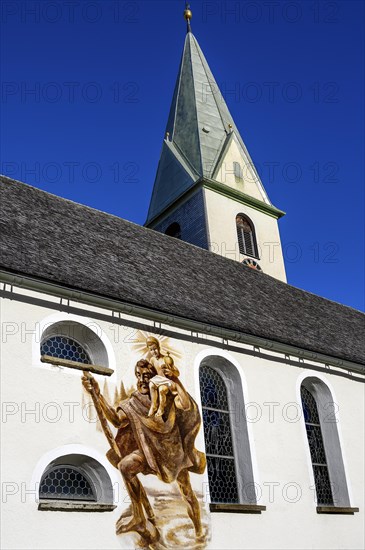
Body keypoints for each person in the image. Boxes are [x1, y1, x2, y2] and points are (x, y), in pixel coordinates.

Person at [82, 359, 206, 545]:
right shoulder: (133, 402)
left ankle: (198, 530)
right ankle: (139, 517)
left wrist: (176, 380)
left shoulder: (167, 395)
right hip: (148, 452)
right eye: (138, 376)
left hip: (172, 454)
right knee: (125, 466)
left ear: (154, 378)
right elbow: (116, 420)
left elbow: (187, 405)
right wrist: (98, 395)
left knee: (187, 492)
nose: (141, 380)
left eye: (146, 376)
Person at [145, 336, 180, 417]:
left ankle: (161, 408)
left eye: (155, 349)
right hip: (158, 380)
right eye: (151, 350)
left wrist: (172, 372)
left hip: (167, 381)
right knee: (151, 384)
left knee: (161, 390)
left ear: (159, 347)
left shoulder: (165, 359)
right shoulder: (152, 360)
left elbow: (177, 373)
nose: (154, 351)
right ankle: (154, 406)